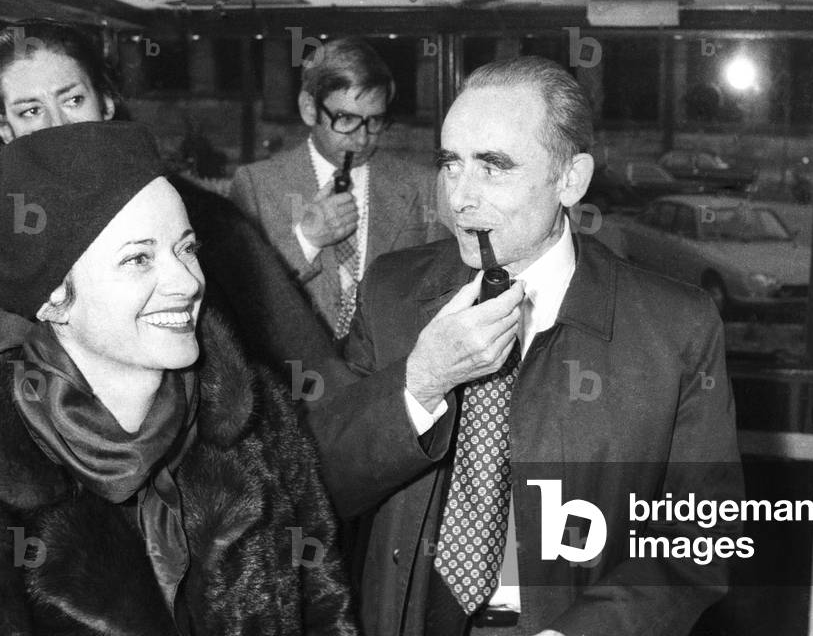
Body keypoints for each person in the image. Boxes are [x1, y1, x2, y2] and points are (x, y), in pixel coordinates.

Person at [304, 56, 744, 636]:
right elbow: (316, 483)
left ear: (571, 179)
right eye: (451, 163)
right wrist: (419, 382)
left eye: (494, 167)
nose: (459, 199)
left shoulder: (676, 328)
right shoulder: (392, 290)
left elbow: (702, 543)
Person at [0, 121, 356, 634]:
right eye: (138, 259)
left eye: (186, 248)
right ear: (54, 299)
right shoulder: (14, 473)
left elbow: (326, 607)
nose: (188, 282)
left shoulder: (255, 419)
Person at [0, 19, 354, 413]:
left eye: (72, 100)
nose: (58, 126)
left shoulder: (207, 223)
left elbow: (307, 366)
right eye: (31, 110)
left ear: (106, 104)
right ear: (5, 130)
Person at [229, 36, 449, 341]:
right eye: (345, 118)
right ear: (309, 108)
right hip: (296, 378)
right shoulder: (254, 185)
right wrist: (307, 240)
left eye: (375, 121)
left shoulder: (422, 184)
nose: (361, 139)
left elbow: (439, 294)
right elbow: (241, 296)